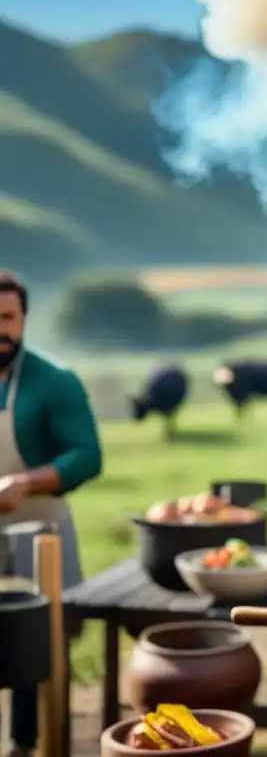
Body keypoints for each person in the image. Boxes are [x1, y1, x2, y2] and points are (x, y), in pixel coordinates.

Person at [0, 271, 102, 756]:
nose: (0, 327)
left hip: (40, 526)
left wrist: (26, 483)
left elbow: (86, 455)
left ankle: (30, 740)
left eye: (7, 317)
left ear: (23, 319)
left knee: (40, 636)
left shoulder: (53, 381)